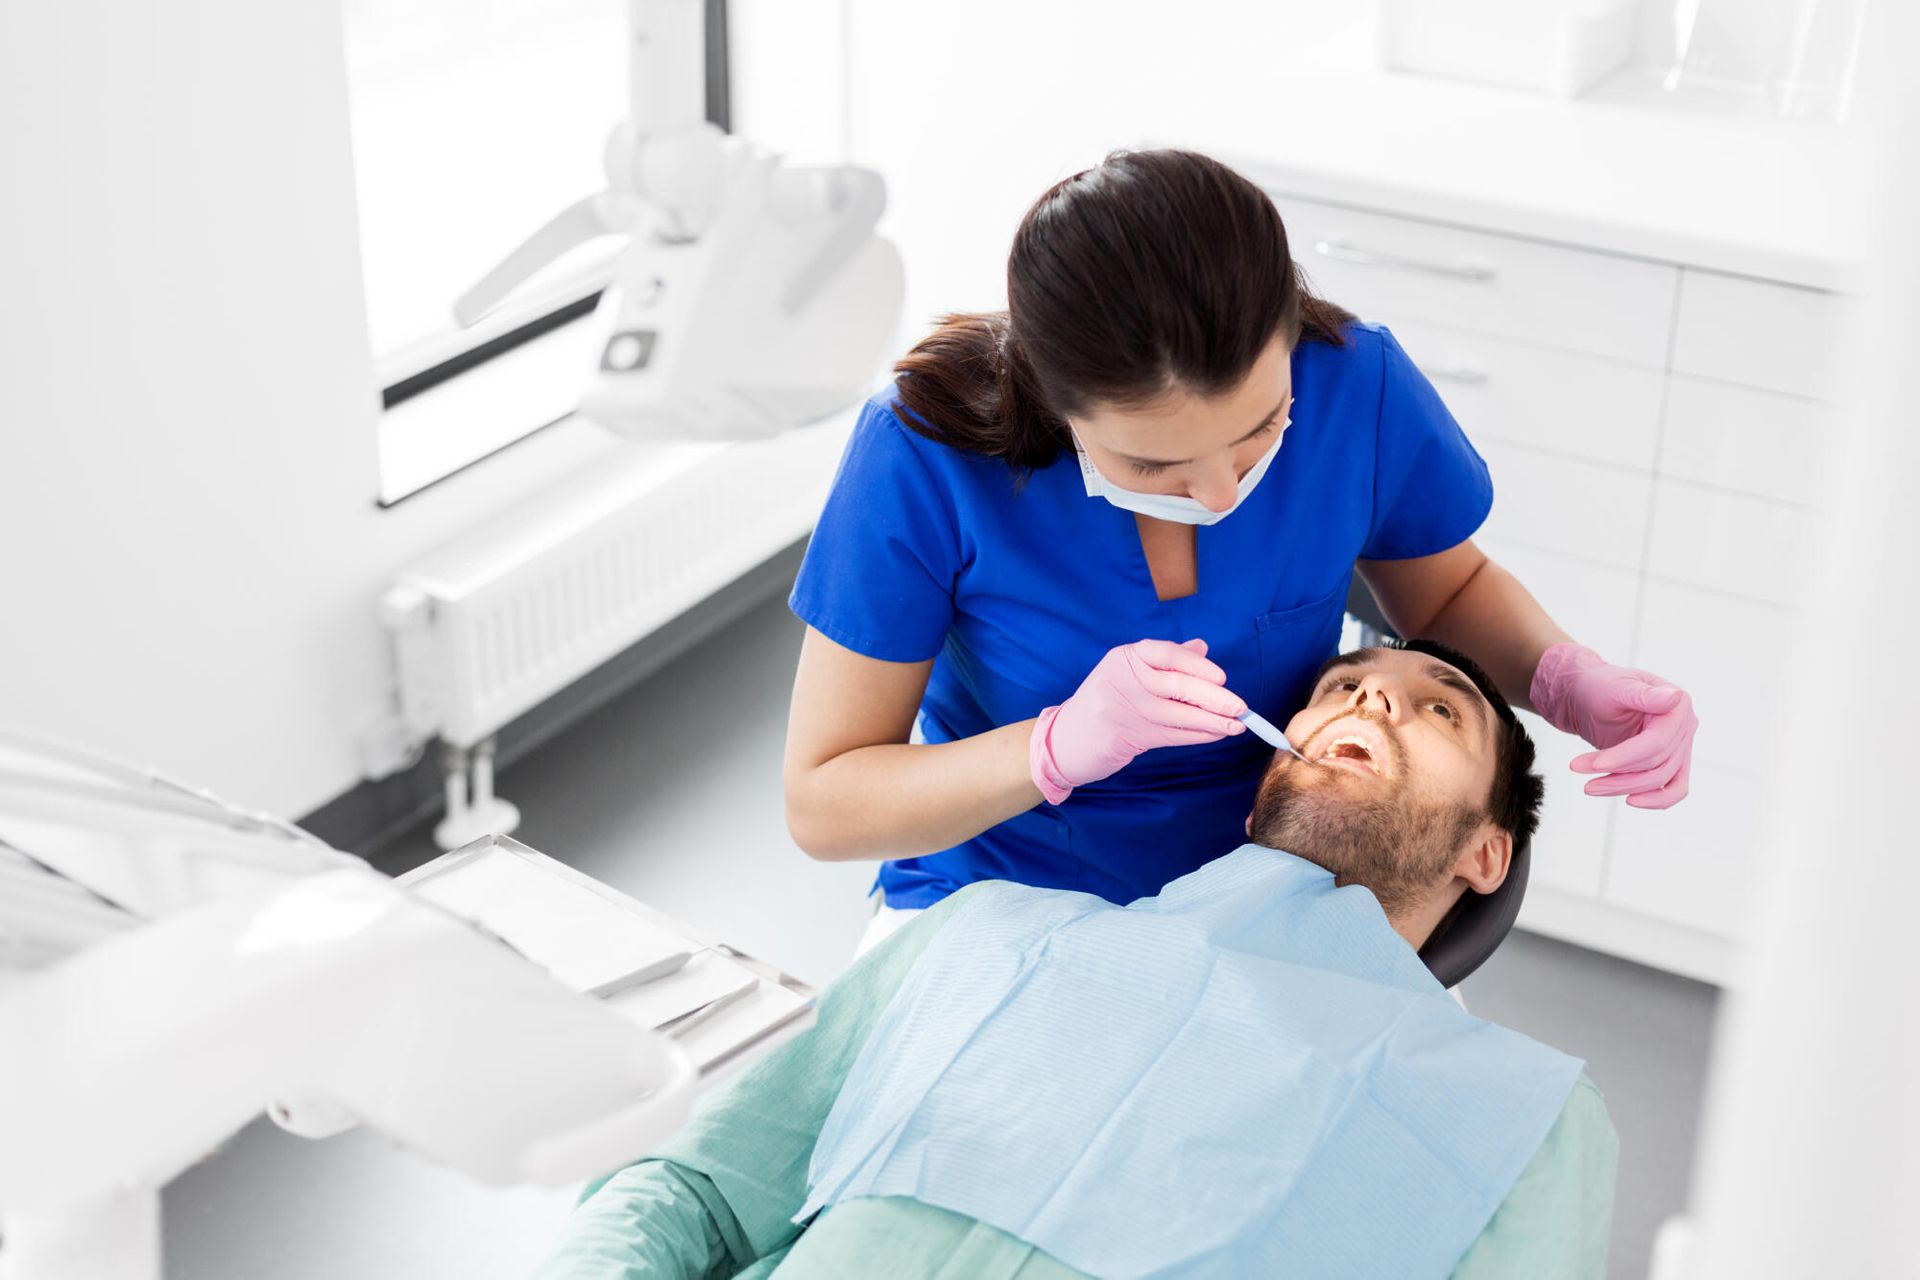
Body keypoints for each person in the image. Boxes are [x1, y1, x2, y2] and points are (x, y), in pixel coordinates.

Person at [782, 148, 1698, 954]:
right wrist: (1053, 749)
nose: (1222, 496)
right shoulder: (923, 455)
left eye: (1262, 430)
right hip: (996, 895)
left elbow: (1447, 594)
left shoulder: (1356, 384)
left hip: (1286, 891)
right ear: (1050, 403)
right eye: (1155, 461)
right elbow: (824, 804)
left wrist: (1566, 682)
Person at [539, 641, 1618, 1279]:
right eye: (1340, 687)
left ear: (1488, 850)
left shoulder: (1520, 1123)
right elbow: (694, 1189)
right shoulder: (984, 931)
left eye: (1438, 709)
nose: (1370, 698)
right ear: (1261, 783)